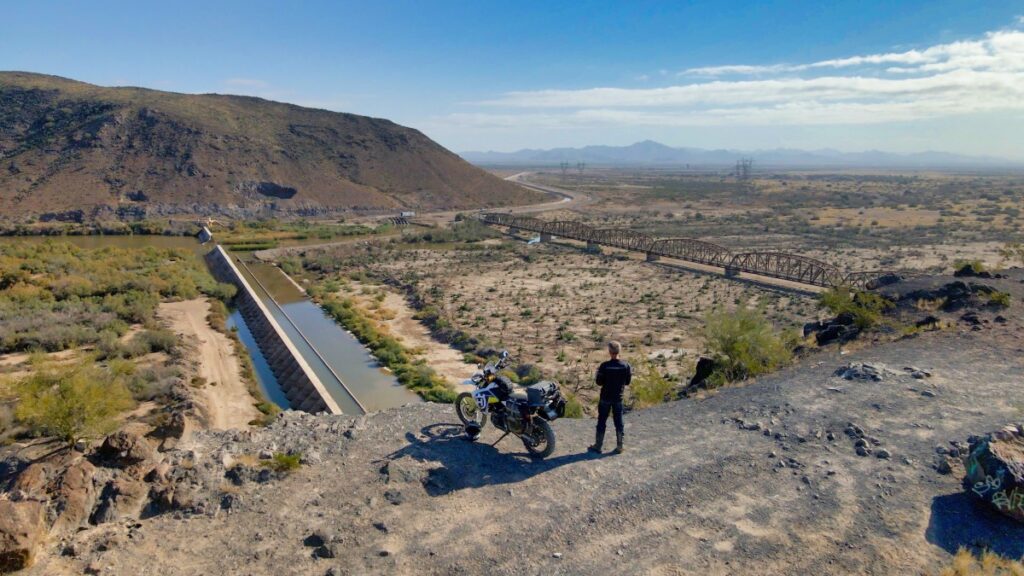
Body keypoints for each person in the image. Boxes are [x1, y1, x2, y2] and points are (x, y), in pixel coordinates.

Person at [589, 341, 631, 455]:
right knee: (619, 422)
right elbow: (627, 382)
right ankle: (620, 446)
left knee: (602, 420)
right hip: (618, 397)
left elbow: (599, 382)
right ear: (619, 351)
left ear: (609, 352)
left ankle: (598, 446)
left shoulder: (604, 366)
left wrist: (598, 374)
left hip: (605, 397)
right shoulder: (626, 366)